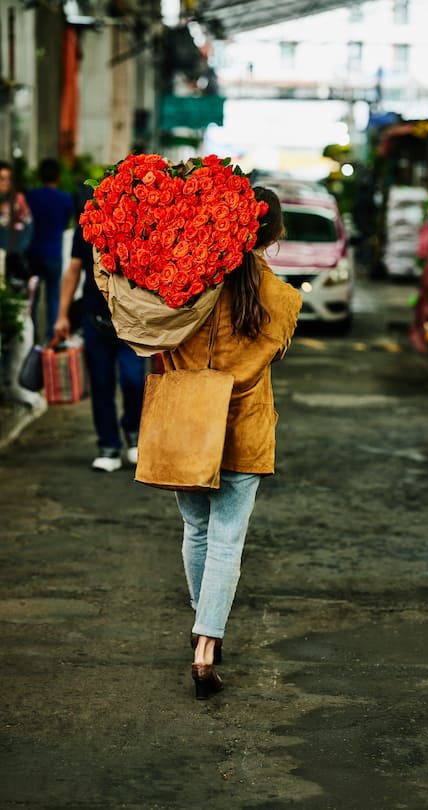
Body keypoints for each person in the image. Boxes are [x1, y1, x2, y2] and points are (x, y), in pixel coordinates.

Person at [161, 187, 302, 700]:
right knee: (226, 540)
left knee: (195, 530)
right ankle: (205, 644)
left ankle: (204, 628)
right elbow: (269, 359)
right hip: (243, 427)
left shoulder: (185, 288)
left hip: (184, 424)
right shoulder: (284, 299)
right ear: (276, 234)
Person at [53, 223, 146, 472]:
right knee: (101, 383)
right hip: (96, 321)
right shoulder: (87, 228)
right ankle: (108, 445)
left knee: (134, 380)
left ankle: (134, 431)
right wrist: (62, 315)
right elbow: (73, 271)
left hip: (132, 323)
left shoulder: (137, 225)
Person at [0, 160, 42, 409]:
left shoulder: (19, 204)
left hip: (15, 273)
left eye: (6, 178)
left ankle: (16, 384)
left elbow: (27, 232)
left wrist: (13, 251)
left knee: (21, 330)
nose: (3, 183)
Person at [26, 158, 74, 342]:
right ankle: (51, 338)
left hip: (33, 252)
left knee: (33, 297)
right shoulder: (65, 199)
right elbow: (65, 222)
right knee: (54, 296)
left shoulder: (31, 196)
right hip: (54, 252)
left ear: (39, 176)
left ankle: (33, 338)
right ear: (58, 177)